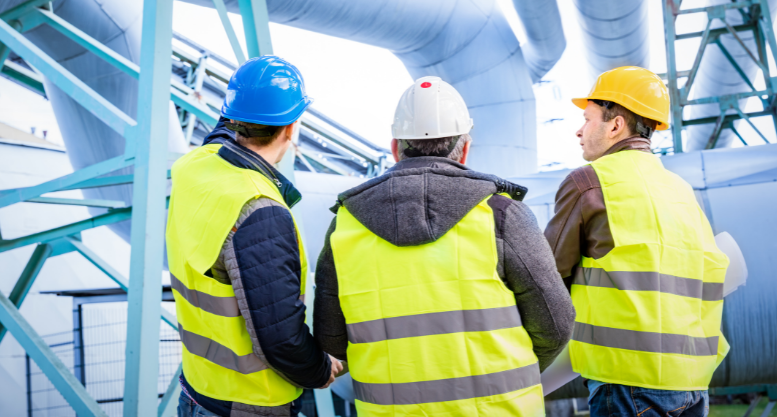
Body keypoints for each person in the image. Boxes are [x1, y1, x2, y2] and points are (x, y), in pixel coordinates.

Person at [313, 76, 575, 416]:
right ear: (464, 149)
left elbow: (331, 342)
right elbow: (555, 324)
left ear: (395, 148)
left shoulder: (345, 225)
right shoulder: (501, 214)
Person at [544, 66, 729, 417]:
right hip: (692, 381)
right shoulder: (681, 190)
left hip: (627, 380)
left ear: (615, 125)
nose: (579, 131)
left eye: (587, 119)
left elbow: (546, 275)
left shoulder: (589, 182)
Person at [167, 55, 342, 417]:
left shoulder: (194, 168)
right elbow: (280, 338)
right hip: (249, 403)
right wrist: (320, 369)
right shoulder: (259, 210)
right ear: (291, 128)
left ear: (232, 119)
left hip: (198, 389)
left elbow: (219, 137)